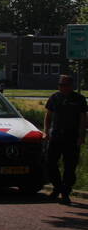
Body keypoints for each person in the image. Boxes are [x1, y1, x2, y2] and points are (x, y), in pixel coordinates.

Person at [44, 74, 87, 205]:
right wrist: (46, 132)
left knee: (70, 166)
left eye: (64, 85)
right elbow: (48, 116)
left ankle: (65, 193)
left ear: (71, 86)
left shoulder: (79, 99)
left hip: (72, 137)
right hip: (56, 135)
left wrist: (81, 136)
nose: (61, 87)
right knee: (50, 163)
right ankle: (58, 187)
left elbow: (83, 119)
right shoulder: (54, 97)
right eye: (60, 85)